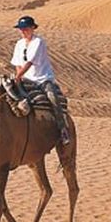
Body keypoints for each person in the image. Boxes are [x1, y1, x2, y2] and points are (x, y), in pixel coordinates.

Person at [10, 15, 71, 145]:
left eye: (25, 28)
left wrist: (18, 76)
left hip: (42, 78)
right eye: (21, 29)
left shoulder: (38, 42)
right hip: (25, 79)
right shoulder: (19, 44)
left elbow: (29, 63)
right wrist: (18, 77)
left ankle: (63, 130)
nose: (22, 31)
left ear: (32, 28)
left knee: (53, 99)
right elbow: (17, 62)